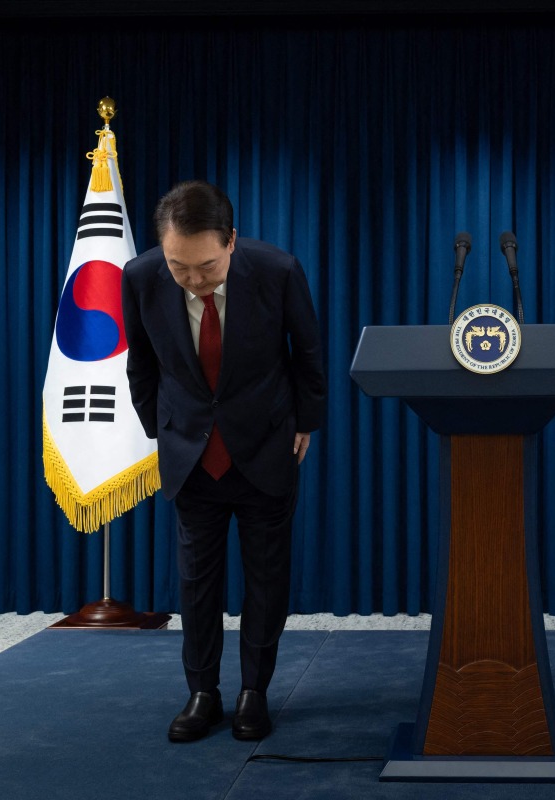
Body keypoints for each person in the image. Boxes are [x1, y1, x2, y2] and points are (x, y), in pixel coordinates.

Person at [121, 180, 326, 742]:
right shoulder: (139, 277)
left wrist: (306, 420)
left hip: (264, 446)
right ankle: (202, 692)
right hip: (189, 454)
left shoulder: (277, 270)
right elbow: (141, 367)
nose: (192, 279)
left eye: (206, 267)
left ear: (231, 242)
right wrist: (160, 434)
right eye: (178, 267)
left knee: (266, 578)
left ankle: (253, 691)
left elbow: (307, 351)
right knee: (197, 583)